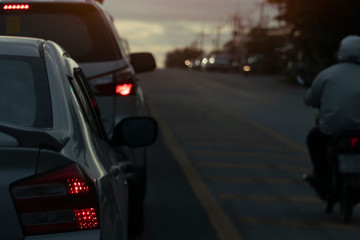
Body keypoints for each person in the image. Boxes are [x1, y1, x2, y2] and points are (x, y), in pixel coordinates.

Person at [303, 35, 360, 182]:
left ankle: (321, 175)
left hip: (332, 130)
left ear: (341, 52)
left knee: (314, 138)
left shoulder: (327, 74)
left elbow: (309, 99)